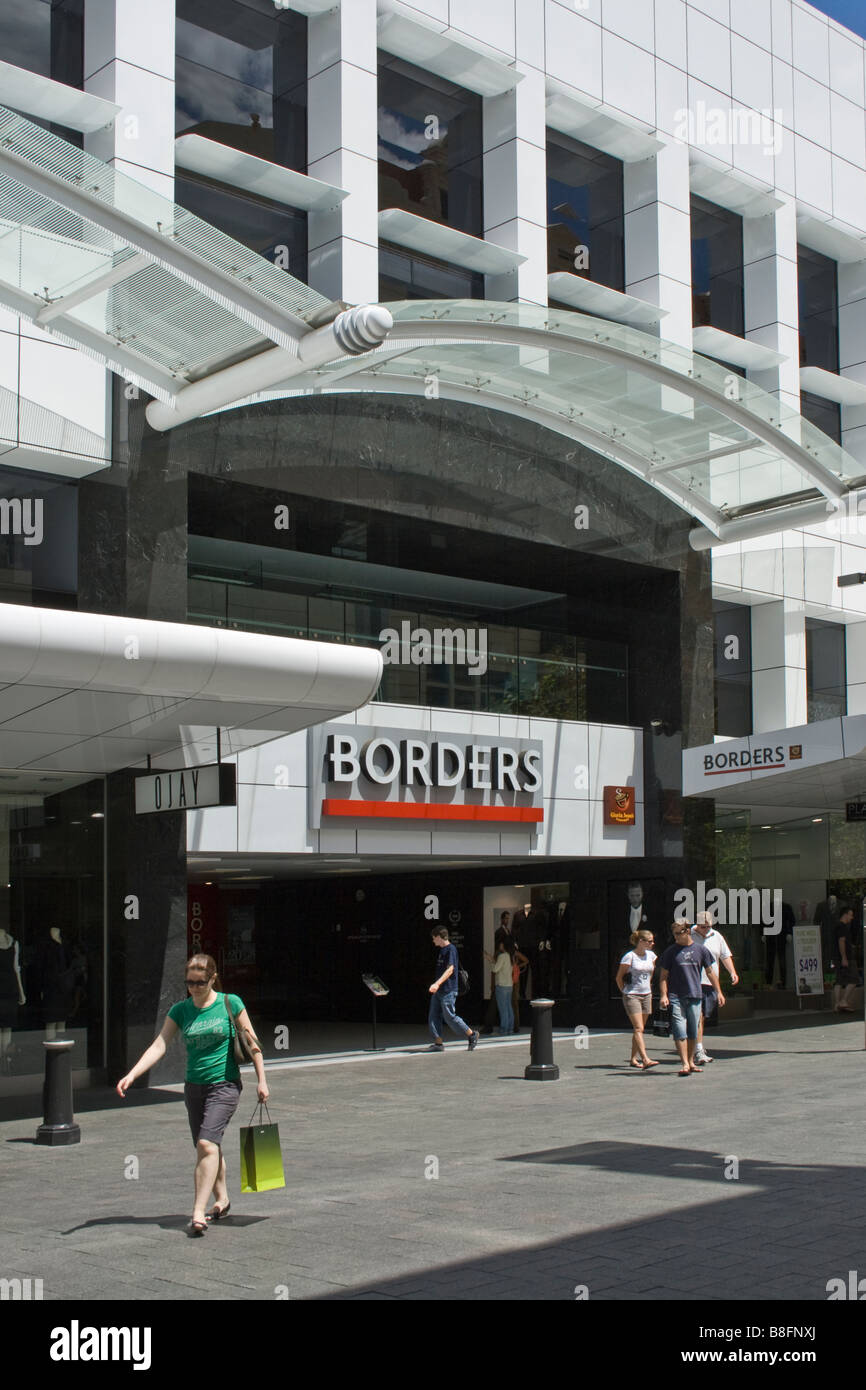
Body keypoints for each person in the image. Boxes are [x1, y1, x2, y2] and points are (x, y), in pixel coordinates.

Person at [116, 953, 269, 1236]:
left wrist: (262, 1080)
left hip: (224, 1085)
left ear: (212, 979)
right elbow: (159, 1045)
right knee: (210, 1145)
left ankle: (198, 1211)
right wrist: (133, 1074)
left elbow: (252, 1042)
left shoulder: (230, 1002)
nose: (194, 988)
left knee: (206, 1144)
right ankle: (222, 1199)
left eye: (200, 982)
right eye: (189, 982)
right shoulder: (181, 1010)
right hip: (194, 1088)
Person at [658, 920, 724, 1077]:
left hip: (695, 994)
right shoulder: (670, 952)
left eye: (678, 933)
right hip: (676, 996)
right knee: (680, 1030)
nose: (676, 937)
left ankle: (691, 1061)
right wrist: (663, 995)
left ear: (687, 932)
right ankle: (685, 1064)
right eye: (674, 934)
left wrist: (719, 992)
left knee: (693, 1030)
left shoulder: (700, 950)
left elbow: (710, 972)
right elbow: (663, 976)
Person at [691, 910, 739, 1064]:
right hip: (693, 982)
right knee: (698, 1016)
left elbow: (725, 955)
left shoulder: (716, 936)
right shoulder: (689, 935)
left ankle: (695, 1046)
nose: (706, 930)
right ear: (697, 925)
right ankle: (698, 1049)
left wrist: (732, 972)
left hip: (710, 982)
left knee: (702, 1016)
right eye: (703, 927)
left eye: (708, 926)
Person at [428, 926, 478, 1052]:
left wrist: (437, 984)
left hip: (448, 990)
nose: (433, 941)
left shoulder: (451, 949)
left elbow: (450, 970)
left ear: (439, 937)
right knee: (434, 1016)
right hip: (439, 990)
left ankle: (471, 1034)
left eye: (434, 938)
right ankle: (438, 1043)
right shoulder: (442, 950)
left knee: (449, 1016)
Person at [615, 928, 658, 1069]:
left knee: (639, 1028)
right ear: (641, 941)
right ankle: (645, 1059)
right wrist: (625, 992)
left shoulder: (651, 956)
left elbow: (651, 972)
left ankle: (633, 1059)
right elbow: (619, 977)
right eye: (650, 941)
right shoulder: (629, 957)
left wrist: (648, 985)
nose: (653, 943)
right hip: (632, 995)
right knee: (639, 1028)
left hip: (646, 994)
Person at [485, 939, 515, 1036]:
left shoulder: (502, 956)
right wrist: (491, 959)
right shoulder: (510, 956)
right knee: (508, 1007)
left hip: (501, 985)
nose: (500, 946)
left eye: (501, 944)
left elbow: (495, 969)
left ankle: (503, 1029)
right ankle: (510, 1028)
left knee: (503, 1008)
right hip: (509, 985)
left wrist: (490, 961)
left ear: (504, 946)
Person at [833, 907, 859, 1013]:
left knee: (839, 981)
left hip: (838, 958)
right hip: (846, 958)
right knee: (854, 979)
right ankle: (843, 1001)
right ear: (845, 915)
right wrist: (844, 957)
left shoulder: (838, 926)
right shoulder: (842, 927)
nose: (852, 918)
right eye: (851, 915)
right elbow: (841, 941)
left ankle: (837, 1004)